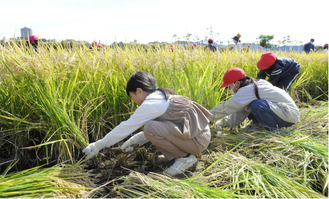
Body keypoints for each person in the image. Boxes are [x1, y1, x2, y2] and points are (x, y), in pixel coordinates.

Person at [82, 71, 212, 176]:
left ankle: (185, 158)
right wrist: (138, 139)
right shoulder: (161, 96)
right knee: (151, 126)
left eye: (132, 97)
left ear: (139, 91)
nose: (134, 101)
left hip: (197, 141)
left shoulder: (150, 104)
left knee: (149, 127)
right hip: (200, 137)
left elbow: (124, 127)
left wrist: (98, 145)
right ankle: (178, 154)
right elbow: (167, 126)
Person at [210, 68, 300, 132]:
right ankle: (259, 125)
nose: (229, 89)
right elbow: (239, 113)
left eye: (229, 86)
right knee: (252, 105)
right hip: (286, 114)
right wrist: (218, 125)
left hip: (288, 115)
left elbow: (227, 107)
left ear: (237, 83)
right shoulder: (254, 85)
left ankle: (274, 130)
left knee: (257, 105)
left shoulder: (248, 90)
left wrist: (205, 117)